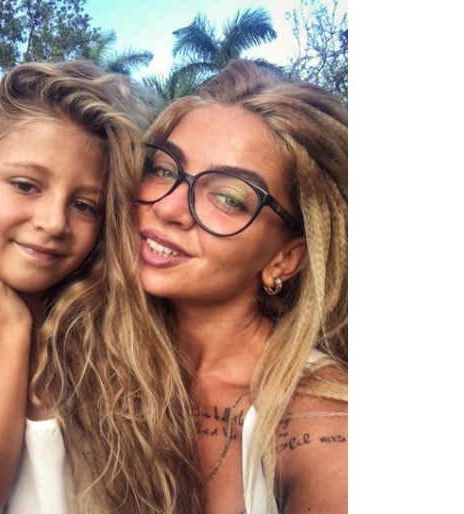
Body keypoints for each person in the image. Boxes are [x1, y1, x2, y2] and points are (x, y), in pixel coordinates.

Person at [0, 60, 201, 514]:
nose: (53, 222)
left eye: (85, 205)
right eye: (26, 185)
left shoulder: (122, 343)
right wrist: (7, 334)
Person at [136, 59, 348, 514]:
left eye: (228, 198)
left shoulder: (319, 417)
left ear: (285, 258)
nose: (169, 208)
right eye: (164, 170)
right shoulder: (94, 350)